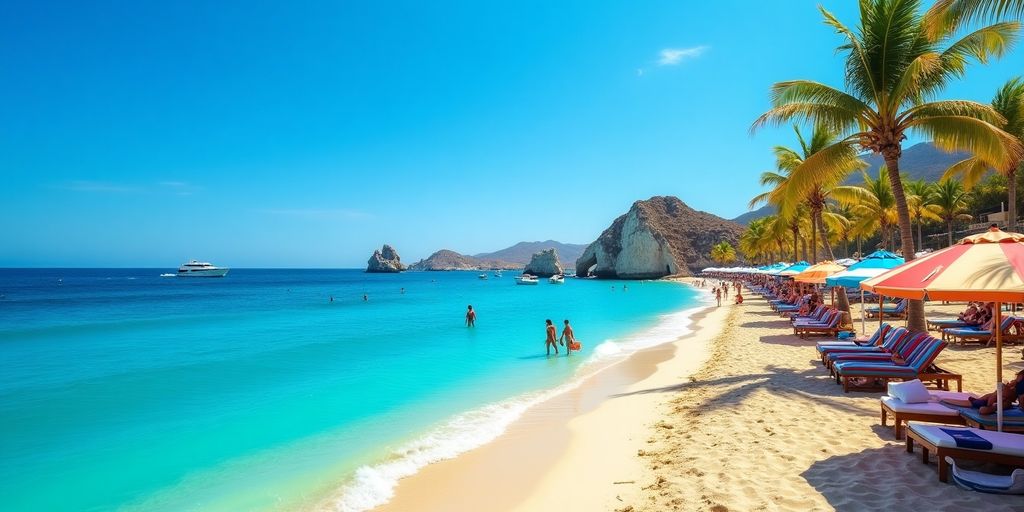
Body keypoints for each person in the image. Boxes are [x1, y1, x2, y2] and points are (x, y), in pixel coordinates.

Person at [943, 369, 1024, 414]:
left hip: (986, 403)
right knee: (958, 402)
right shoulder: (1006, 395)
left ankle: (943, 400)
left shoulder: (1006, 402)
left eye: (1014, 385)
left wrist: (992, 404)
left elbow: (984, 409)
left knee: (962, 403)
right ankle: (943, 399)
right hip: (984, 401)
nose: (1011, 383)